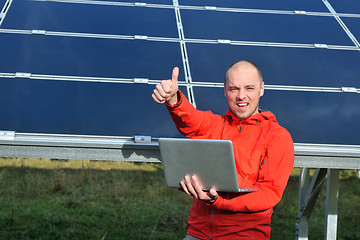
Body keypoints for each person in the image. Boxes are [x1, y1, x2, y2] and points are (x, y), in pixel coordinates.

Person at [152, 60, 294, 240]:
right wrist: (173, 98)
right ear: (225, 90)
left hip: (245, 235)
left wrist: (219, 202)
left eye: (249, 88)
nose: (241, 95)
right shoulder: (216, 125)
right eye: (234, 89)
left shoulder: (277, 137)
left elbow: (269, 193)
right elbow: (191, 121)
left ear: (262, 89)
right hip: (198, 232)